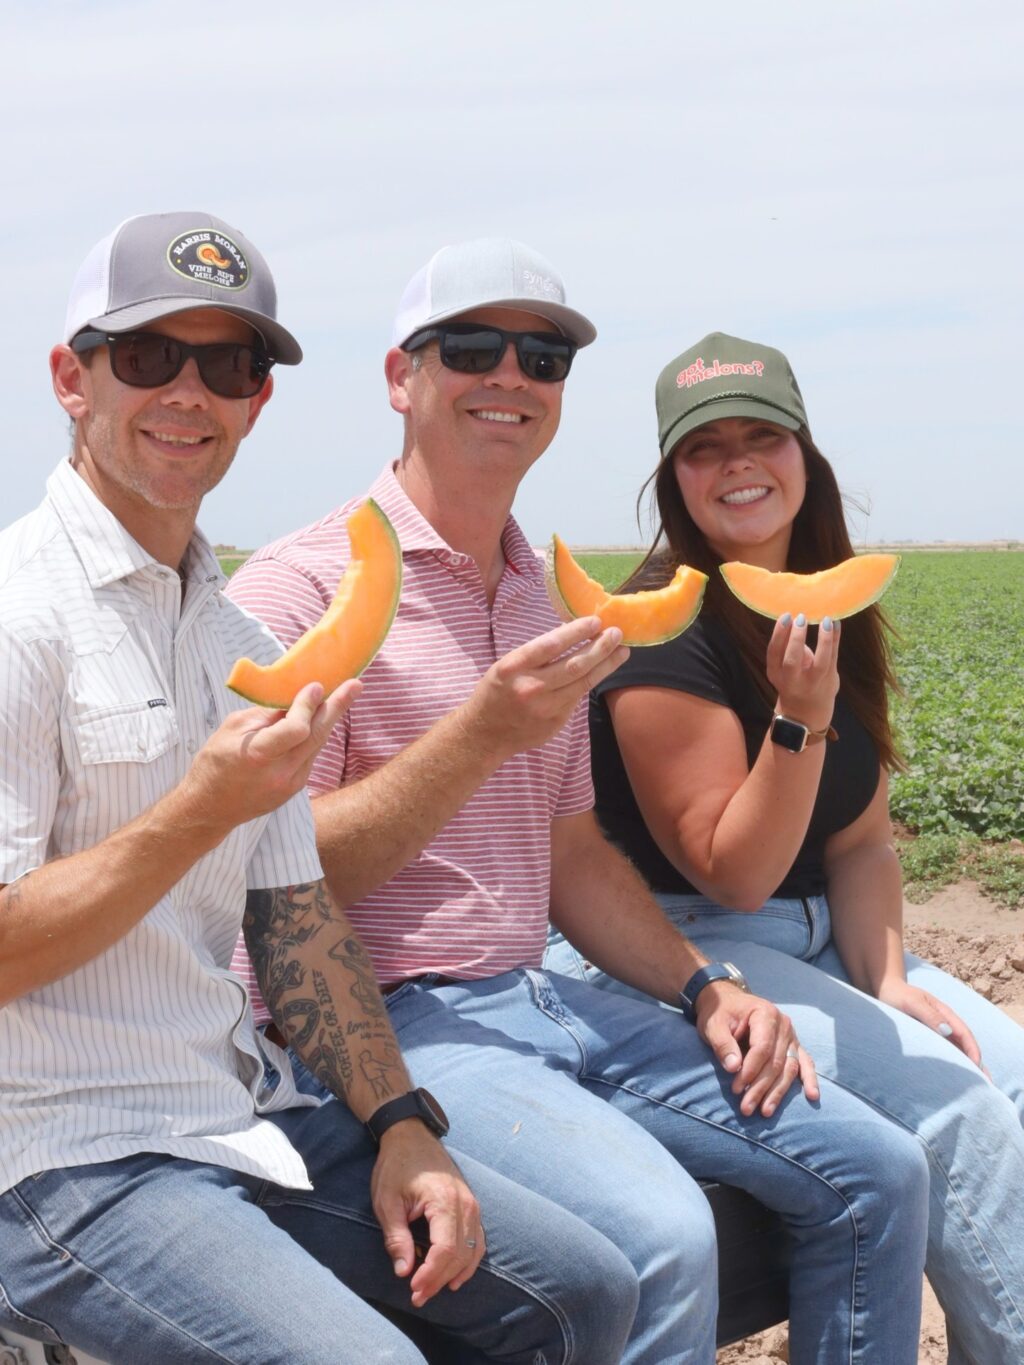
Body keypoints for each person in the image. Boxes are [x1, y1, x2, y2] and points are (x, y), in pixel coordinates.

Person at [228, 240, 933, 1365]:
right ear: (400, 377)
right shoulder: (298, 590)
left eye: (543, 357)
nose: (511, 374)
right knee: (664, 1235)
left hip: (547, 999)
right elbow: (267, 880)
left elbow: (571, 855)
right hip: (391, 1021)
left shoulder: (543, 595)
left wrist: (706, 985)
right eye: (471, 347)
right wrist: (476, 738)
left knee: (880, 1173)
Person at [0, 212, 644, 1365]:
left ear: (260, 399)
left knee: (582, 1291)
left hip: (235, 1112)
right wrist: (200, 809)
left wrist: (402, 1126)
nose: (189, 394)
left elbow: (295, 921)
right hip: (61, 1153)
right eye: (149, 358)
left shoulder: (237, 634)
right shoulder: (19, 618)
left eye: (229, 364)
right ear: (70, 378)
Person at [545, 330, 1024, 1364]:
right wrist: (797, 722)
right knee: (958, 1120)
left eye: (760, 435)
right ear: (673, 479)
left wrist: (886, 976)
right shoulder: (662, 630)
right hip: (687, 944)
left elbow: (860, 841)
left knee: (1014, 1072)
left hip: (813, 935)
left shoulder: (832, 597)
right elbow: (734, 867)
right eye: (703, 447)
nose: (737, 463)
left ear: (805, 454)